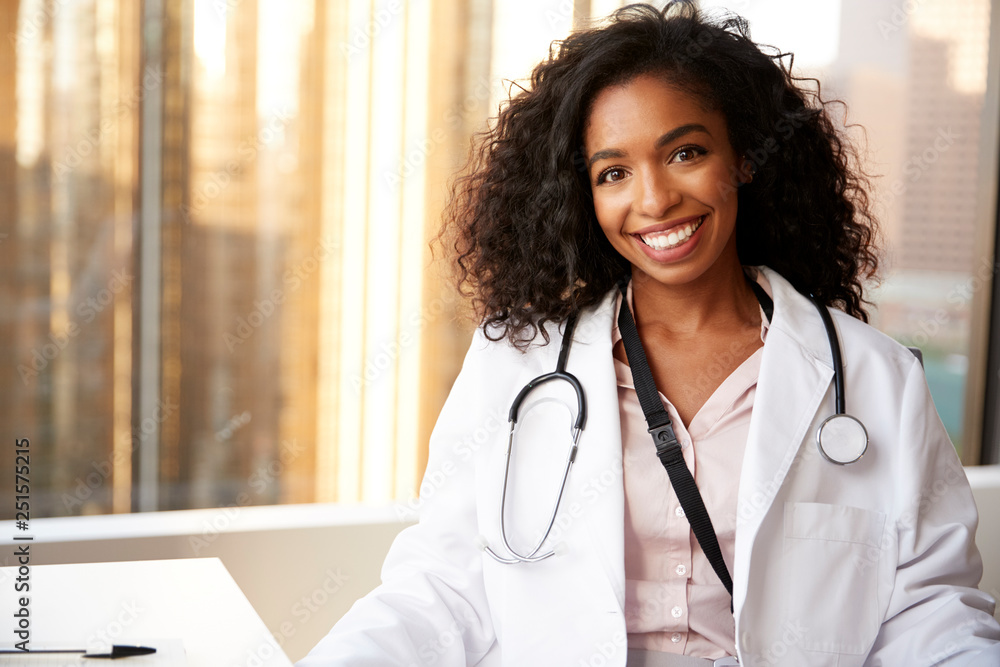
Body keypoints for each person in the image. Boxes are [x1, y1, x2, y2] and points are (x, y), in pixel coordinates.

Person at [299, 3, 1000, 665]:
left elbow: (926, 607)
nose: (655, 199)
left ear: (743, 159)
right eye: (614, 172)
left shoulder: (875, 378)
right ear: (586, 196)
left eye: (686, 153)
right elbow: (443, 585)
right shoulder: (516, 365)